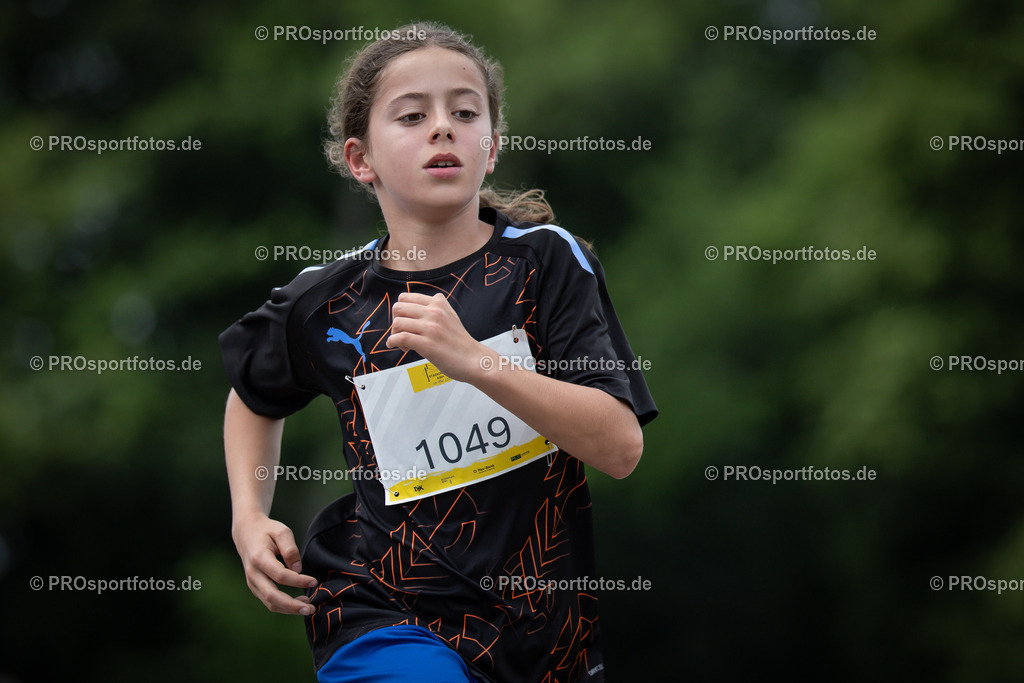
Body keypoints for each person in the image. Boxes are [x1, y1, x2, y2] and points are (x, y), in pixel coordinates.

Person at [219, 21, 657, 682]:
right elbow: (254, 393)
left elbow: (619, 447)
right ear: (361, 160)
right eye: (413, 115)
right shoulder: (327, 301)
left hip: (544, 637)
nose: (443, 127)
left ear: (493, 146)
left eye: (464, 110)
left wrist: (475, 362)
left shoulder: (548, 262)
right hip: (380, 611)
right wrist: (249, 518)